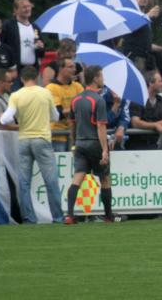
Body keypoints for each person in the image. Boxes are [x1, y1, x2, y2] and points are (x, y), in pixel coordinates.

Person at [0, 66, 63, 224]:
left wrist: (2, 118)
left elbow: (5, 119)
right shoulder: (45, 92)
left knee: (24, 182)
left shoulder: (16, 95)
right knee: (51, 180)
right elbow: (55, 116)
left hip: (24, 140)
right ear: (37, 77)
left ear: (22, 78)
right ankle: (58, 217)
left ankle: (29, 218)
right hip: (42, 138)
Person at [64, 66, 113, 224]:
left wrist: (73, 143)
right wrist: (105, 150)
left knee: (77, 177)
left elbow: (71, 124)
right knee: (104, 178)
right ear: (95, 79)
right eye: (101, 76)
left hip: (80, 143)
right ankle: (108, 216)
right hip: (94, 143)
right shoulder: (98, 100)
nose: (103, 79)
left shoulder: (76, 99)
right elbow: (101, 126)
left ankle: (70, 215)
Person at [120, 0, 162, 72]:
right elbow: (131, 27)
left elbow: (146, 45)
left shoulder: (145, 18)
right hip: (133, 58)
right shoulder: (128, 13)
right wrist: (147, 16)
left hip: (145, 60)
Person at [1, 0, 45, 85]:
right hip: (14, 71)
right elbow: (1, 46)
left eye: (29, 6)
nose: (27, 9)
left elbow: (41, 54)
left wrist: (41, 47)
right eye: (24, 7)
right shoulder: (8, 26)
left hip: (32, 71)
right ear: (16, 10)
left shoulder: (35, 28)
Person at [46, 57, 84, 151]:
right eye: (70, 67)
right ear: (60, 69)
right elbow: (58, 114)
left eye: (74, 67)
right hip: (57, 135)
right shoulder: (51, 88)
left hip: (74, 134)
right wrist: (78, 108)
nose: (74, 70)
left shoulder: (77, 86)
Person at [128, 71, 162, 150]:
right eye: (160, 81)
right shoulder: (138, 98)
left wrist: (150, 125)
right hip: (137, 146)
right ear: (151, 83)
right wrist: (155, 125)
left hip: (154, 145)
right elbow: (135, 123)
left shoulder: (160, 99)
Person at [100, 85, 130, 150]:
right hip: (100, 139)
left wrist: (121, 127)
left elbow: (125, 117)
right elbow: (102, 121)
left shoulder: (124, 98)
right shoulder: (101, 98)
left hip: (116, 139)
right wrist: (116, 105)